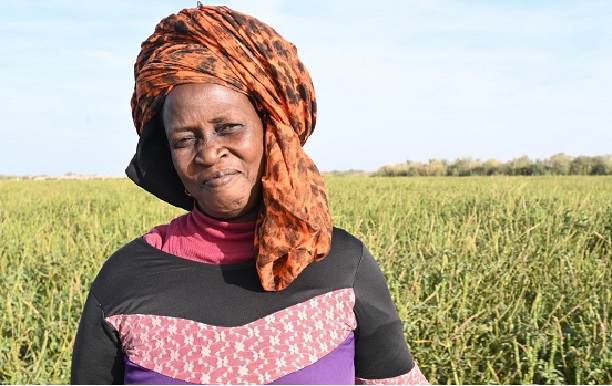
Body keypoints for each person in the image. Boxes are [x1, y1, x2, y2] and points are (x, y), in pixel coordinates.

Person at [71, 4, 429, 385]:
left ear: (272, 134)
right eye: (185, 139)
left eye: (228, 127)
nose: (208, 153)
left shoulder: (342, 264)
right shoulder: (124, 280)